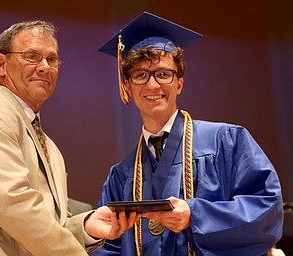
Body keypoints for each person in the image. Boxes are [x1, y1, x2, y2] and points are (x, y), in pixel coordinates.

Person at [93, 12, 284, 256]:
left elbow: (267, 211)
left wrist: (196, 216)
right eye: (141, 75)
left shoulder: (227, 142)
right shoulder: (121, 175)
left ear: (179, 83)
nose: (152, 86)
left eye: (163, 74)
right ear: (127, 86)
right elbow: (106, 248)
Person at [0, 20, 140, 256]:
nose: (44, 67)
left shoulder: (50, 147)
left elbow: (49, 226)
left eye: (51, 59)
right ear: (1, 64)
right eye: (32, 56)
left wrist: (84, 227)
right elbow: (14, 203)